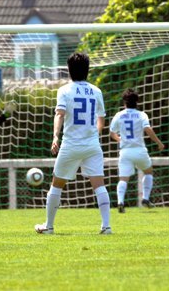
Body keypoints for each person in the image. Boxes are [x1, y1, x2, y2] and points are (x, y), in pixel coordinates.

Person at [35, 52, 112, 235]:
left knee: (56, 184)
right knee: (99, 185)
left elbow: (59, 114)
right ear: (88, 69)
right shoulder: (97, 91)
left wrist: (55, 136)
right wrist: (96, 134)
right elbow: (100, 118)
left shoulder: (64, 90)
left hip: (71, 145)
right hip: (92, 145)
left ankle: (49, 226)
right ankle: (106, 226)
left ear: (69, 70)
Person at [109, 89, 165, 213]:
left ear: (124, 102)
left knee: (123, 179)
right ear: (137, 102)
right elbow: (148, 130)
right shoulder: (141, 115)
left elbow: (112, 133)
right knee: (148, 172)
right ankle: (145, 198)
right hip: (139, 150)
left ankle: (120, 202)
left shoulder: (119, 115)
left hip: (125, 151)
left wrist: (120, 140)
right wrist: (159, 143)